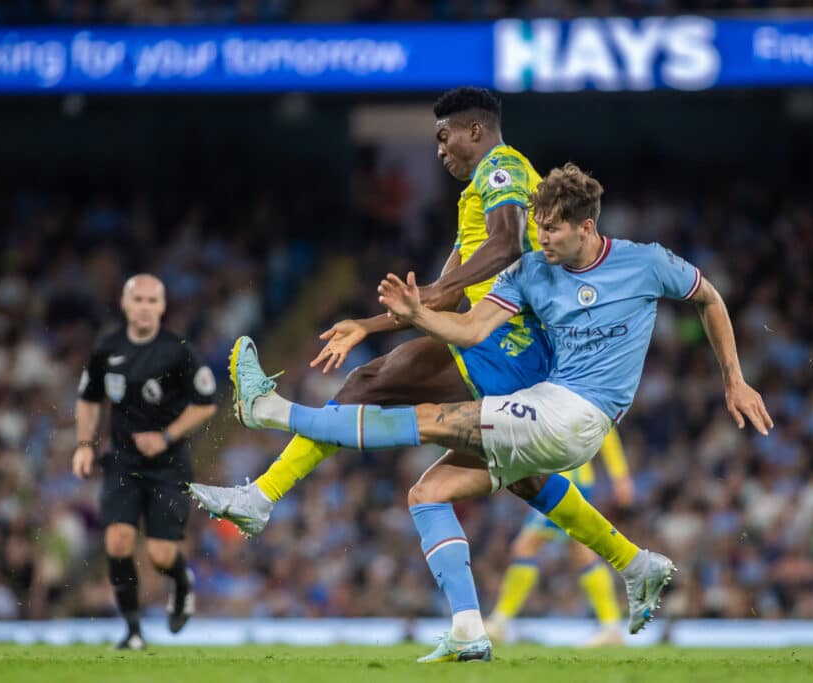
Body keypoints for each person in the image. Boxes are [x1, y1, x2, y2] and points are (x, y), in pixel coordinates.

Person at [222, 163, 772, 662]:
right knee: (428, 493)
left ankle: (271, 411)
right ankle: (485, 622)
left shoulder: (646, 262)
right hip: (548, 410)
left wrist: (735, 380)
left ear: (586, 226)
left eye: (551, 227)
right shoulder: (532, 271)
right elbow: (470, 327)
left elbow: (709, 298)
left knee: (436, 419)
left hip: (578, 415)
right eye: (537, 224)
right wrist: (418, 315)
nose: (540, 236)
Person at [191, 86, 553, 534]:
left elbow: (505, 244)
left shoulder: (502, 167)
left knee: (369, 384)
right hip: (500, 339)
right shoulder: (470, 200)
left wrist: (435, 296)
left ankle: (264, 463)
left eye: (444, 137)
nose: (438, 150)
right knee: (525, 477)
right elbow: (439, 297)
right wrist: (368, 325)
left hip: (518, 341)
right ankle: (633, 562)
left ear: (475, 130)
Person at [73, 274, 218, 650]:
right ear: (125, 304)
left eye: (152, 301)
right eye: (138, 299)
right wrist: (84, 444)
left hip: (168, 466)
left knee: (159, 554)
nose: (144, 306)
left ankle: (182, 581)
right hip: (122, 461)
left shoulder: (178, 350)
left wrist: (167, 436)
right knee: (118, 541)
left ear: (162, 307)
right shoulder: (107, 348)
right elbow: (88, 398)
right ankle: (133, 630)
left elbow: (206, 403)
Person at [485, 434, 634, 647]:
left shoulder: (576, 399)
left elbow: (605, 428)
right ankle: (611, 627)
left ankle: (499, 622)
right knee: (580, 551)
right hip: (566, 476)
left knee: (525, 547)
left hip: (564, 479)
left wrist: (620, 476)